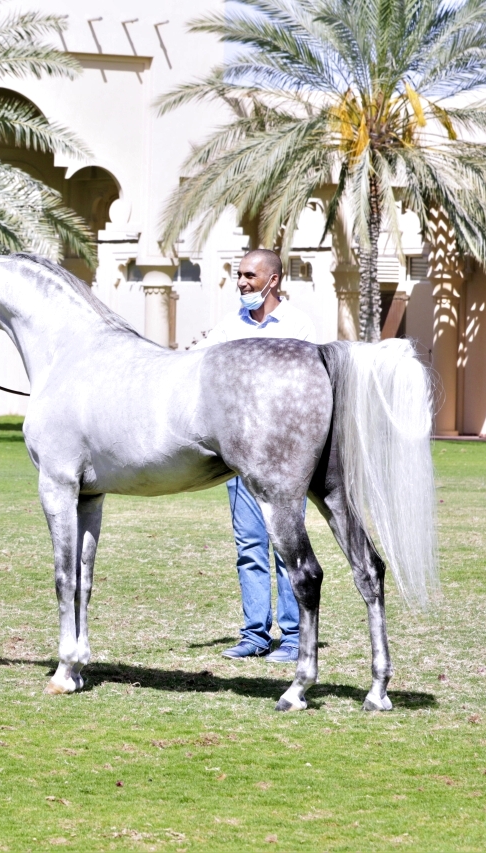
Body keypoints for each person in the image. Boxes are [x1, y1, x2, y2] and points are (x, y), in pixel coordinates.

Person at [203, 249, 316, 663]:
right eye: (239, 275)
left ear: (273, 279)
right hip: (239, 458)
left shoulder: (298, 326)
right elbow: (202, 370)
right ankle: (254, 633)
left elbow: (306, 390)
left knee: (287, 546)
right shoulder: (228, 327)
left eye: (250, 275)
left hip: (285, 459)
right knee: (249, 546)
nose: (241, 283)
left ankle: (291, 637)